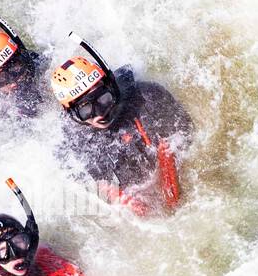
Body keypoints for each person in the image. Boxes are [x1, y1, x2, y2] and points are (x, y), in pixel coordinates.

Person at [51, 37, 193, 216]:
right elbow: (92, 184)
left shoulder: (148, 96)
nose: (100, 114)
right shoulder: (73, 145)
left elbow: (182, 135)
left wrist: (169, 164)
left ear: (110, 86)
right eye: (86, 110)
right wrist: (120, 198)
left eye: (103, 99)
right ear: (70, 113)